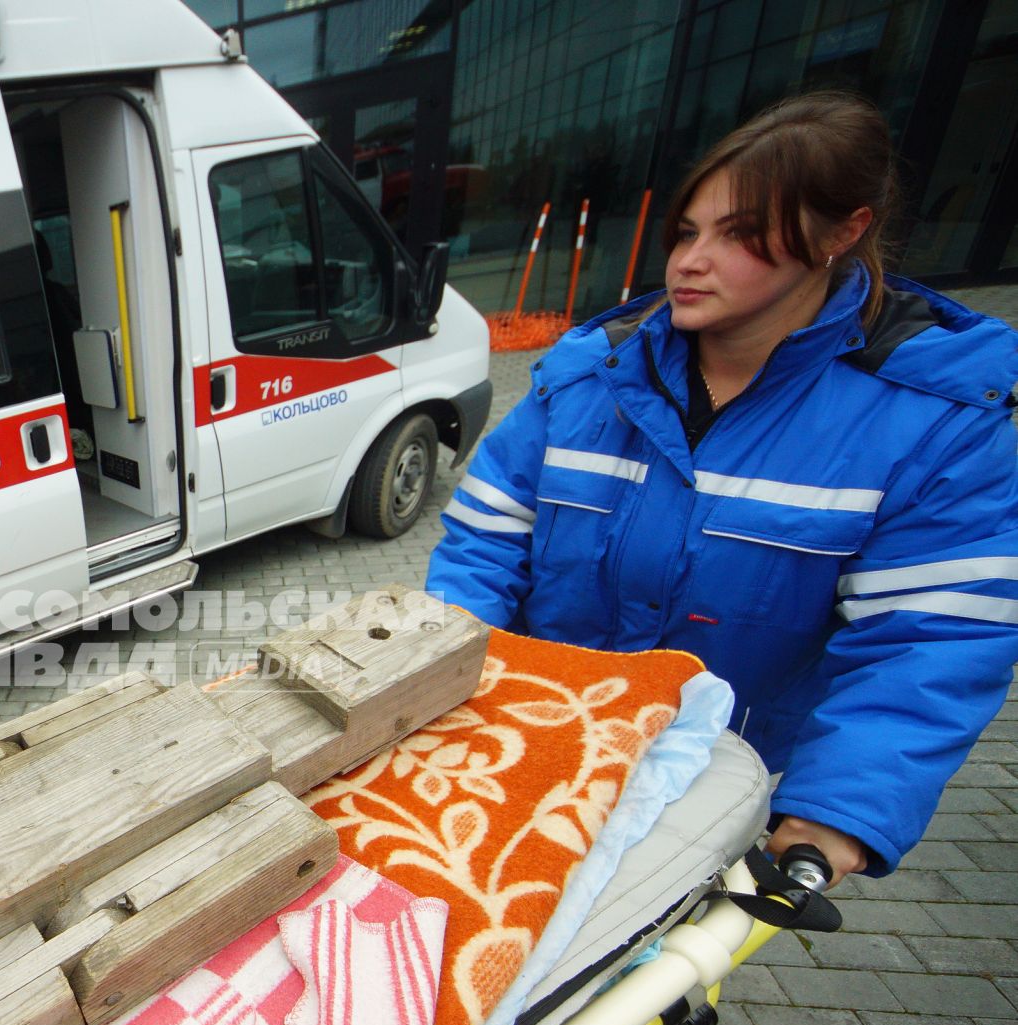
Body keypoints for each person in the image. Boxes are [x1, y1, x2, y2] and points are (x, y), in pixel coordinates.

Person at [427, 91, 1018, 887]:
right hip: (529, 742)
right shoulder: (587, 375)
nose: (688, 262)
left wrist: (833, 812)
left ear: (845, 232)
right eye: (687, 231)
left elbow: (929, 640)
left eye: (739, 235)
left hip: (708, 782)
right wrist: (443, 678)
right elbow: (486, 539)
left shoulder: (931, 420)